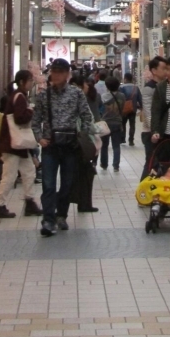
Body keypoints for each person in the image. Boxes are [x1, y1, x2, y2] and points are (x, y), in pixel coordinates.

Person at [33, 58, 97, 236]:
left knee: (68, 183)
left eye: (61, 72)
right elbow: (35, 120)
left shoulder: (76, 93)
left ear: (68, 74)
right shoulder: (43, 95)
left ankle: (61, 214)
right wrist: (39, 138)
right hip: (50, 146)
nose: (57, 75)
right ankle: (48, 219)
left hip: (70, 146)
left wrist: (82, 136)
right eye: (54, 71)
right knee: (48, 184)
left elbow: (86, 116)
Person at [0, 70, 41, 218]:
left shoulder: (17, 96)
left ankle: (30, 201)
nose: (32, 83)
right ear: (22, 82)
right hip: (12, 143)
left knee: (28, 172)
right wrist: (31, 111)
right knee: (10, 175)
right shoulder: (19, 97)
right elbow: (19, 118)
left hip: (17, 144)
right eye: (30, 80)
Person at [70, 72, 99, 213]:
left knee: (81, 174)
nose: (88, 86)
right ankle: (84, 203)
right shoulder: (79, 101)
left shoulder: (73, 100)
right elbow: (88, 124)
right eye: (85, 84)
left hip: (77, 142)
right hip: (83, 143)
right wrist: (99, 129)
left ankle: (83, 202)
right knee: (86, 174)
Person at [140, 57, 167, 176]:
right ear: (154, 71)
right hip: (151, 132)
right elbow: (148, 111)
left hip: (164, 131)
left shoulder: (167, 86)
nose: (166, 71)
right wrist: (155, 130)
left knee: (163, 163)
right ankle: (144, 191)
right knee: (151, 163)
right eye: (164, 68)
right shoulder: (149, 88)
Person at [99, 76, 126, 171]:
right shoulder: (122, 96)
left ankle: (104, 164)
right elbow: (122, 108)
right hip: (117, 122)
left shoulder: (103, 96)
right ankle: (116, 166)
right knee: (116, 145)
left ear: (107, 86)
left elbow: (100, 110)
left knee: (104, 145)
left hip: (105, 123)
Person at [120, 72, 142, 145]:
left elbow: (119, 98)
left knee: (123, 123)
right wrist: (141, 108)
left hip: (124, 109)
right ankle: (131, 140)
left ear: (125, 79)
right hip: (133, 108)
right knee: (132, 124)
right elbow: (140, 99)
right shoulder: (136, 87)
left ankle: (122, 138)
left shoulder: (121, 87)